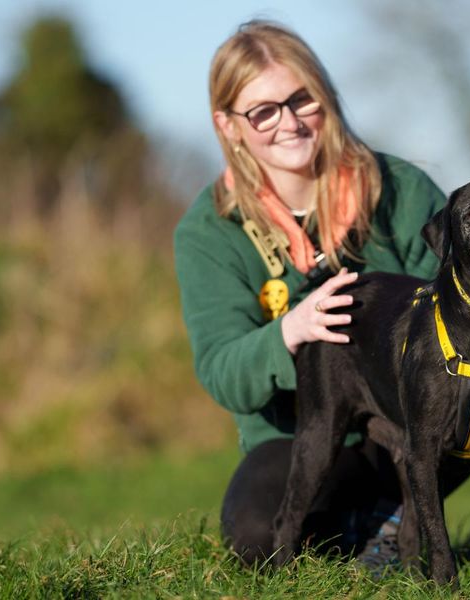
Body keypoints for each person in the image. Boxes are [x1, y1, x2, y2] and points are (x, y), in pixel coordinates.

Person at [174, 20, 447, 572]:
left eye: (304, 100)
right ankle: (363, 524)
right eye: (263, 111)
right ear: (227, 126)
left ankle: (399, 518)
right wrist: (289, 332)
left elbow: (456, 310)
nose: (290, 123)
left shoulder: (400, 189)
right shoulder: (208, 231)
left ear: (327, 96)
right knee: (255, 534)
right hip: (295, 434)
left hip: (410, 420)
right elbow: (223, 371)